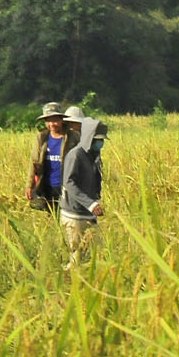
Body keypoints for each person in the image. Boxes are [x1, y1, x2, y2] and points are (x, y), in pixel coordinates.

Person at [59, 115, 107, 270]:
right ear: (87, 138)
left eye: (101, 140)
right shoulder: (75, 155)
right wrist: (90, 204)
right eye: (97, 140)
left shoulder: (93, 156)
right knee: (77, 257)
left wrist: (96, 201)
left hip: (89, 213)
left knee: (95, 253)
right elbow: (69, 183)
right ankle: (70, 279)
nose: (100, 143)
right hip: (75, 214)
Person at [27, 102, 77, 212]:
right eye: (48, 121)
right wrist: (30, 186)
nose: (52, 124)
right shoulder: (42, 138)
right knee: (52, 215)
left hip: (68, 186)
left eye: (55, 120)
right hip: (47, 186)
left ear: (62, 120)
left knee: (68, 216)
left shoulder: (73, 138)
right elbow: (34, 162)